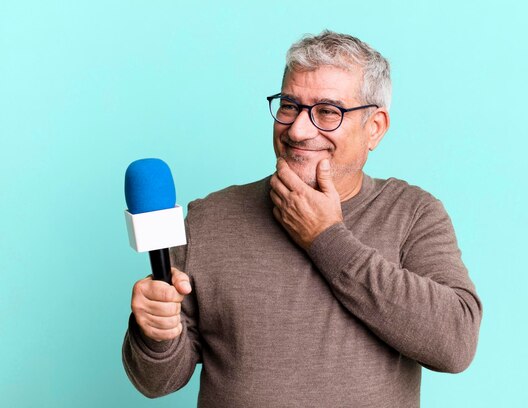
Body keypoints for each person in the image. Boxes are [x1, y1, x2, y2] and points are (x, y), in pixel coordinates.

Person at [122, 30, 482, 407]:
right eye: (289, 105)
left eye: (327, 111)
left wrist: (326, 237)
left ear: (374, 128)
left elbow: (455, 344)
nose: (298, 129)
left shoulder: (412, 213)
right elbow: (156, 382)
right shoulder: (209, 219)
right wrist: (155, 334)